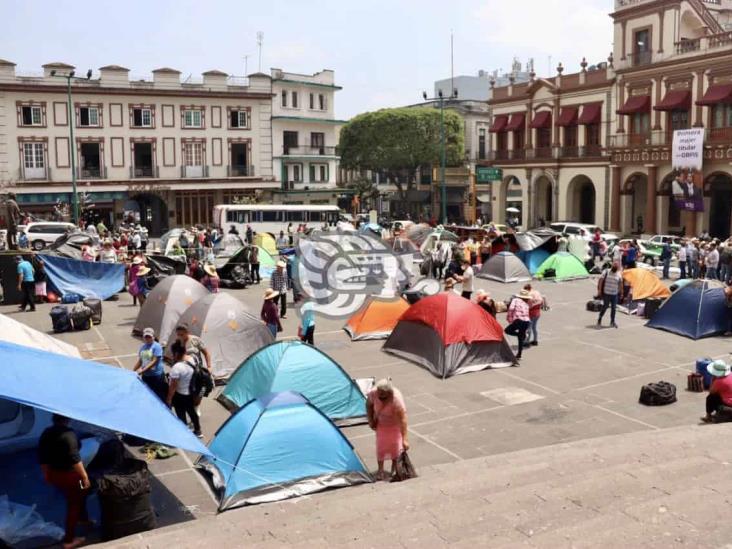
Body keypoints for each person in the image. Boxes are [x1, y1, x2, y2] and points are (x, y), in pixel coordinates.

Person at [39, 414, 91, 549]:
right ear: (67, 420)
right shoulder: (69, 435)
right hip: (72, 477)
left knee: (81, 493)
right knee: (75, 502)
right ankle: (69, 540)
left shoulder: (47, 432)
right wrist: (85, 477)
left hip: (55, 475)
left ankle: (83, 519)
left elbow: (42, 457)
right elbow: (75, 459)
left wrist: (46, 475)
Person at [366, 378, 408, 481]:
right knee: (381, 447)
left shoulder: (396, 399)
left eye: (383, 397)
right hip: (381, 424)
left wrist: (405, 439)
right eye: (379, 396)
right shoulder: (373, 393)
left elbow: (403, 420)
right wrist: (370, 419)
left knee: (395, 447)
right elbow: (368, 405)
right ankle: (380, 471)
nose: (380, 398)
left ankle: (394, 469)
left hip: (394, 425)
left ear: (389, 393)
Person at [166, 342, 202, 438]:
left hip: (180, 394)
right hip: (191, 392)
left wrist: (169, 399)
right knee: (192, 412)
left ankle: (184, 433)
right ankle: (198, 430)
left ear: (176, 353)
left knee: (181, 413)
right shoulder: (193, 359)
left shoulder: (177, 368)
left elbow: (173, 386)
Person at [133, 328, 168, 401]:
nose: (147, 338)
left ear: (153, 337)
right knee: (148, 396)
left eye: (149, 336)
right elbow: (140, 361)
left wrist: (141, 371)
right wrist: (133, 371)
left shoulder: (157, 346)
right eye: (146, 337)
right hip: (146, 377)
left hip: (156, 377)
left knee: (160, 396)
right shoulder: (142, 347)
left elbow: (154, 361)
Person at [505, 289, 532, 360]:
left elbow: (511, 309)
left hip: (518, 320)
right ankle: (519, 355)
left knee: (507, 330)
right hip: (526, 321)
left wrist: (509, 318)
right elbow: (527, 314)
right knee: (520, 339)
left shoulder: (516, 300)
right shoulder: (526, 304)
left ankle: (520, 335)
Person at [597, 263, 623, 328]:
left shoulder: (619, 274)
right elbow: (600, 281)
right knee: (605, 307)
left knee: (613, 308)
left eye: (616, 268)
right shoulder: (606, 272)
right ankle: (600, 318)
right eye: (614, 267)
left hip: (614, 294)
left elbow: (620, 283)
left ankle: (612, 322)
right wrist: (599, 290)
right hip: (607, 293)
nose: (615, 269)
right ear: (612, 267)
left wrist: (621, 292)